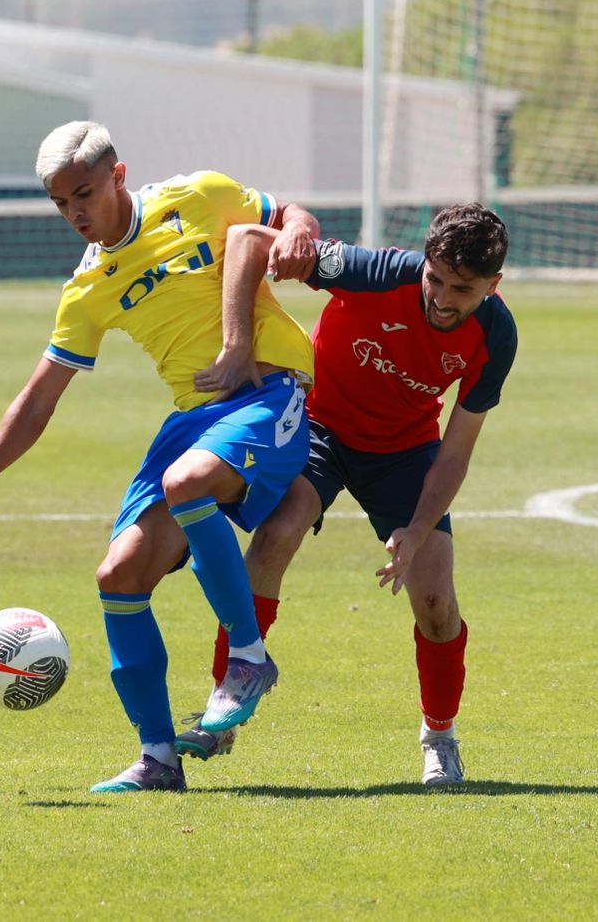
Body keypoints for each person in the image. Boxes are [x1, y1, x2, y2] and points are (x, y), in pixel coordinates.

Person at [0, 120, 321, 793]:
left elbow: (285, 214)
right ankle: (158, 759)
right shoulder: (88, 287)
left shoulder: (196, 196)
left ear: (117, 175)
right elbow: (36, 401)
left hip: (269, 389)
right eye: (61, 204)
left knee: (188, 479)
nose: (75, 214)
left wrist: (298, 230)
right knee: (117, 574)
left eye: (83, 193)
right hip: (193, 417)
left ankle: (248, 656)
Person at [176, 203, 517, 786]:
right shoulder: (373, 270)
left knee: (436, 607)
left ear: (493, 285)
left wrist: (415, 529)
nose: (441, 297)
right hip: (319, 429)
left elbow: (456, 449)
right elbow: (252, 244)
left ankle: (440, 737)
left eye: (462, 289)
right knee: (276, 536)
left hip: (407, 453)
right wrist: (239, 342)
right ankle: (222, 708)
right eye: (435, 279)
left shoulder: (496, 335)